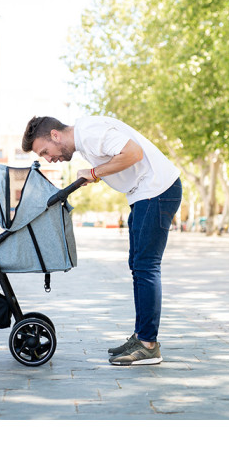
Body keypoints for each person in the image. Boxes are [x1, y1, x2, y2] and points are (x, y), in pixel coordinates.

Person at [22, 115, 182, 366]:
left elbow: (134, 153)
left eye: (45, 151)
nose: (49, 158)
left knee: (146, 266)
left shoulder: (89, 132)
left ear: (55, 135)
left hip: (156, 191)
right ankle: (142, 336)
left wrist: (95, 172)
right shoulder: (85, 139)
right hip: (145, 194)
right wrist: (95, 174)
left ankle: (148, 345)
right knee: (138, 266)